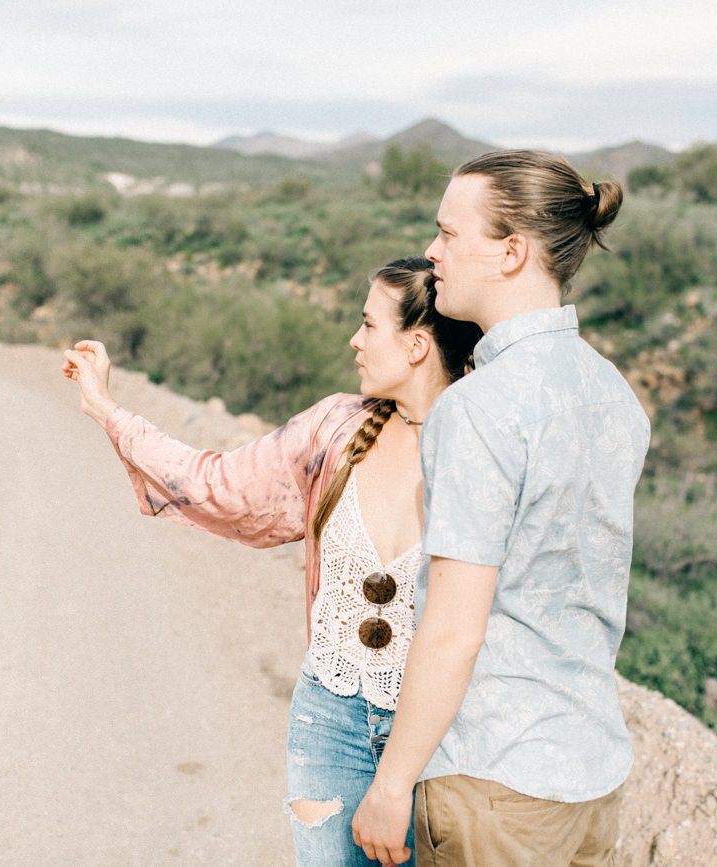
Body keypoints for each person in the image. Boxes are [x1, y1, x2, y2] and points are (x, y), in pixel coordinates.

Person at [61, 257, 481, 866]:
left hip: (443, 738)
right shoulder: (335, 428)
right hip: (329, 723)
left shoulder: (482, 449)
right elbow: (217, 484)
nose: (354, 341)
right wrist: (106, 408)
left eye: (368, 325)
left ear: (417, 345)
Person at [350, 152, 651, 866]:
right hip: (589, 778)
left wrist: (391, 785)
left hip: (492, 780)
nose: (432, 252)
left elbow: (455, 627)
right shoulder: (615, 395)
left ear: (513, 250)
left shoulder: (479, 408)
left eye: (449, 234)